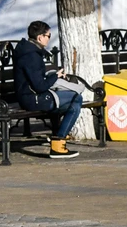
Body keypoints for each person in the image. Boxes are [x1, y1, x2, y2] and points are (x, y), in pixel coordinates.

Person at [13, 21, 83, 159]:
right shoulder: (31, 56)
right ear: (40, 37)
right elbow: (39, 86)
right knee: (76, 98)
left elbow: (36, 79)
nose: (49, 38)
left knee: (72, 99)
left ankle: (59, 136)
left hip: (29, 96)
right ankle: (58, 143)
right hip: (32, 99)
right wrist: (55, 76)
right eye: (48, 36)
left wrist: (52, 76)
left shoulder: (29, 51)